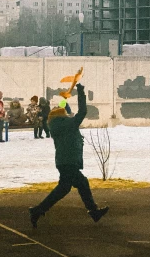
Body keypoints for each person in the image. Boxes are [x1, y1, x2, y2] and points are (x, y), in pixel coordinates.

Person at [29, 82, 108, 227]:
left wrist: (64, 102)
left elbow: (67, 113)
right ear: (62, 116)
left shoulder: (57, 124)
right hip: (69, 162)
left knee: (68, 187)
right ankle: (38, 210)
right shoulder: (68, 124)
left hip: (63, 161)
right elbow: (82, 112)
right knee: (76, 185)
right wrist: (81, 92)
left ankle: (38, 210)